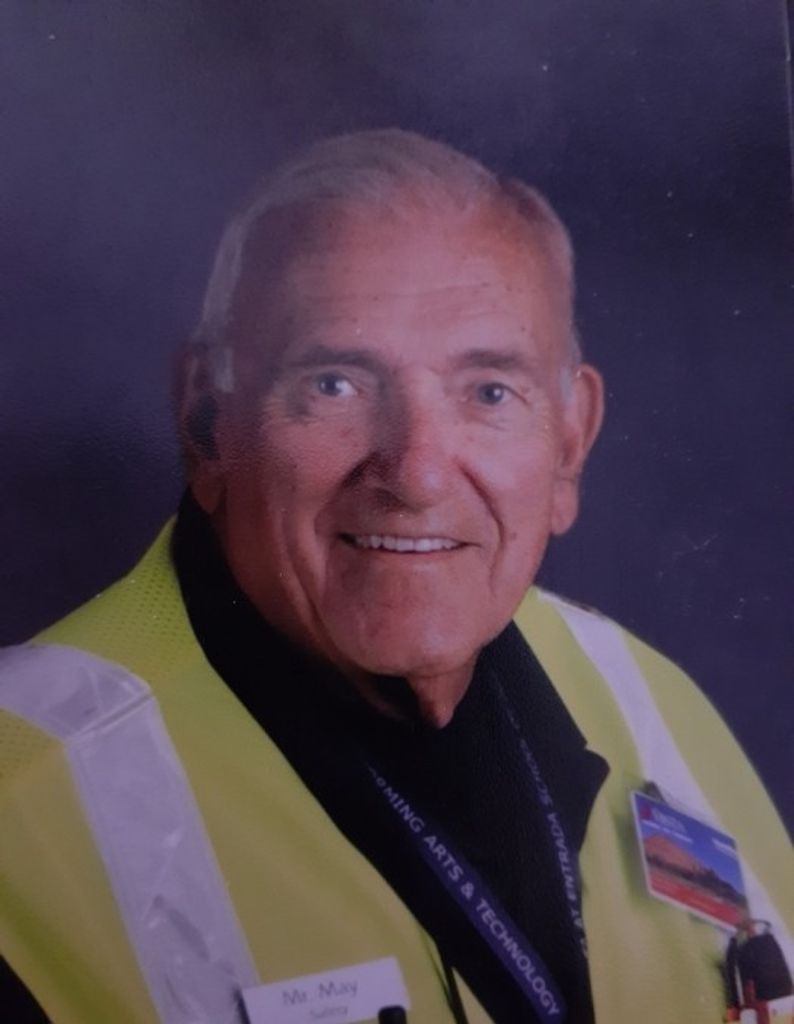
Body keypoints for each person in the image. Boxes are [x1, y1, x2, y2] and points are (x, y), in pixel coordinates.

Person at [0, 129, 792, 1024]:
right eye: (334, 384)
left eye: (489, 392)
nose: (415, 475)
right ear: (206, 423)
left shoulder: (654, 706)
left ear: (570, 444)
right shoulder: (20, 811)